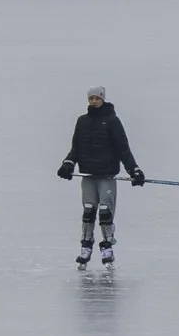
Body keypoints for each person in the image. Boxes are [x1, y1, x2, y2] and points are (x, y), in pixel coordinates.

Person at [57, 87, 144, 267]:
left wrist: (134, 170)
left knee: (105, 211)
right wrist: (68, 163)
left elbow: (123, 149)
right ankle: (86, 246)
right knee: (88, 210)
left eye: (97, 98)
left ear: (103, 99)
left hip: (106, 175)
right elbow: (76, 148)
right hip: (88, 174)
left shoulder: (112, 121)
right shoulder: (82, 121)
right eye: (91, 98)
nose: (94, 101)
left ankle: (107, 247)